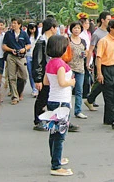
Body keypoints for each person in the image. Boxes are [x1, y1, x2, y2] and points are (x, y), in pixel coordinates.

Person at [43, 35, 75, 176]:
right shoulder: (60, 64)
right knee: (60, 135)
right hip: (62, 101)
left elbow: (46, 82)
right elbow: (62, 82)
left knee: (54, 132)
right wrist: (72, 82)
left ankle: (55, 158)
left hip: (52, 100)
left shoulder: (50, 63)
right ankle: (56, 166)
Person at [2, 17, 31, 104]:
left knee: (24, 76)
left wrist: (24, 49)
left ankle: (19, 91)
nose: (13, 25)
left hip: (21, 57)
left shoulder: (24, 34)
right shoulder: (8, 34)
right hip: (11, 56)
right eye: (12, 23)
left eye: (15, 23)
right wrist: (11, 50)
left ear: (19, 24)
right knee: (12, 77)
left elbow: (29, 44)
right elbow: (4, 46)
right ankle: (14, 97)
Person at [68, 21, 87, 119]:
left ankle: (78, 111)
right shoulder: (67, 39)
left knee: (79, 90)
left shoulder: (83, 41)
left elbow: (86, 51)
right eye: (75, 28)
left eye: (78, 28)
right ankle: (66, 110)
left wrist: (85, 55)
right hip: (69, 68)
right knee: (68, 90)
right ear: (71, 29)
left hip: (80, 68)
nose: (76, 30)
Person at [79, 17, 92, 99]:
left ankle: (87, 91)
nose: (88, 25)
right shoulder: (81, 35)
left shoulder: (87, 33)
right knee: (86, 76)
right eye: (86, 23)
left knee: (87, 76)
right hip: (84, 57)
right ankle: (85, 92)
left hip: (89, 56)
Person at [26, 22, 39, 97]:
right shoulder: (26, 36)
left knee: (36, 72)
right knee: (30, 73)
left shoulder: (38, 36)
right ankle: (34, 89)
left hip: (36, 56)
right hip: (28, 55)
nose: (32, 29)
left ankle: (37, 88)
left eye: (34, 27)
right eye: (31, 28)